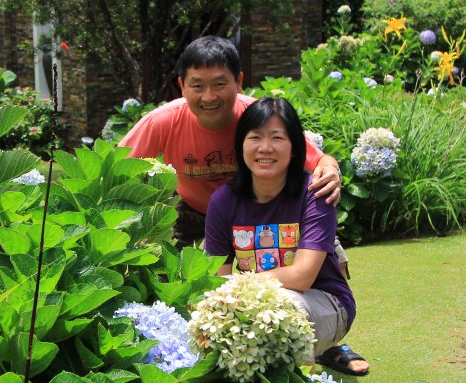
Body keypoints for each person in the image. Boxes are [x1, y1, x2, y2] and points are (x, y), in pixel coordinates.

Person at [119, 36, 342, 248]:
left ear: (239, 82)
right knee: (164, 270)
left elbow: (318, 160)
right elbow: (118, 168)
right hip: (193, 211)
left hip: (258, 206)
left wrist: (330, 170)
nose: (208, 97)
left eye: (219, 84)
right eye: (197, 86)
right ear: (182, 86)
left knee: (325, 255)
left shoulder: (258, 116)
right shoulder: (162, 121)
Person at [203, 96, 367, 376]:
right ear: (241, 144)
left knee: (282, 309)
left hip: (323, 302)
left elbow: (302, 276)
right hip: (250, 306)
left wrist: (239, 284)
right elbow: (218, 279)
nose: (265, 148)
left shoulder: (315, 193)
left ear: (294, 148)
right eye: (255, 137)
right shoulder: (223, 201)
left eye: (277, 138)